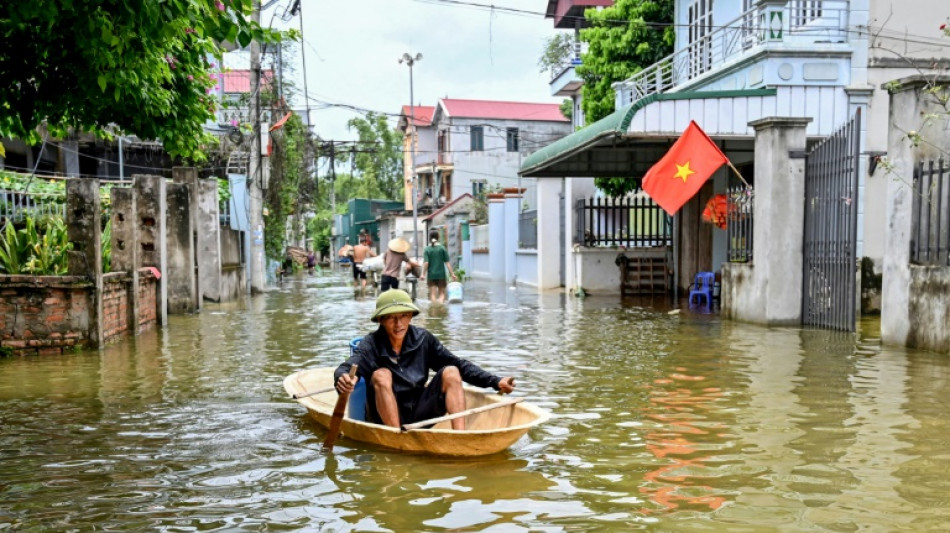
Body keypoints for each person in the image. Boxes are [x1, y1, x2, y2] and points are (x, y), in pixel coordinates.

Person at [333, 289, 515, 429]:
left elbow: (460, 364)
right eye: (391, 318)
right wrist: (343, 377)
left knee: (452, 371)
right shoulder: (371, 343)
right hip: (384, 418)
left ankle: (460, 437)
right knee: (381, 374)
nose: (399, 324)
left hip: (419, 412)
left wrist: (496, 381)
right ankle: (395, 438)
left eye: (403, 316)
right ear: (380, 320)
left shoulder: (423, 339)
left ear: (411, 316)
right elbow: (348, 366)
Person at [422, 230, 456, 304]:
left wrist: (423, 274)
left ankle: (435, 309)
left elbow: (426, 263)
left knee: (433, 294)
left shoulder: (427, 249)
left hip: (431, 275)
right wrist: (452, 274)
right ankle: (440, 306)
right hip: (441, 275)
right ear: (438, 237)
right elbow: (447, 263)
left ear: (429, 238)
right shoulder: (442, 248)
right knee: (442, 294)